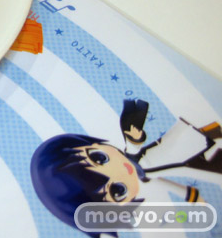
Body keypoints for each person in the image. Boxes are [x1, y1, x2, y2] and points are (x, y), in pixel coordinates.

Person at [30, 99, 221, 235]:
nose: (121, 170)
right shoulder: (146, 174)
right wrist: (195, 200)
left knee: (200, 140)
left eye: (99, 158)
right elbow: (170, 186)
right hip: (185, 160)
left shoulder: (142, 165)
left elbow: (134, 150)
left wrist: (135, 138)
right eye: (118, 190)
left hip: (176, 146)